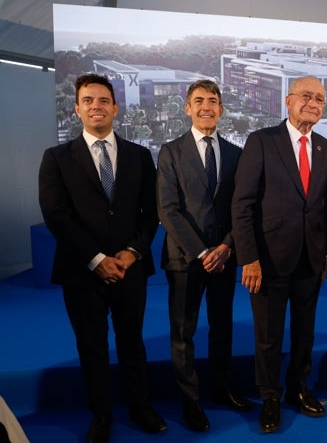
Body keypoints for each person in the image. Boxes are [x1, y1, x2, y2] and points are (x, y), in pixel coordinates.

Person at [38, 74, 166, 443]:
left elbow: (150, 211)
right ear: (77, 108)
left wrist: (132, 252)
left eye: (103, 100)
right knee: (92, 347)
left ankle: (141, 408)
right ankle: (101, 416)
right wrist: (96, 258)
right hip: (82, 271)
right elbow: (56, 214)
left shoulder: (140, 156)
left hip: (131, 268)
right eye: (88, 100)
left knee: (133, 342)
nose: (97, 106)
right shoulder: (57, 158)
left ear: (115, 107)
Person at [231, 76, 327, 433]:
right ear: (289, 101)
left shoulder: (325, 147)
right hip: (268, 260)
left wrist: (326, 255)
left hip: (311, 259)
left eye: (320, 99)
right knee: (268, 335)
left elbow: (323, 207)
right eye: (306, 96)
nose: (314, 103)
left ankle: (299, 389)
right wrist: (249, 258)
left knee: (305, 332)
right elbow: (242, 204)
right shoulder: (262, 141)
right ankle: (271, 397)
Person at [156, 79, 252, 432]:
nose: (207, 106)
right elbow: (168, 210)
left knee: (222, 328)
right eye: (199, 101)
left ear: (221, 109)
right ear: (187, 108)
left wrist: (226, 247)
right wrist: (201, 252)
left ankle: (222, 390)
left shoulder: (236, 154)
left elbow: (241, 209)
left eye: (213, 101)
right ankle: (190, 401)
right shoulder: (170, 152)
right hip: (186, 259)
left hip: (225, 258)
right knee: (184, 332)